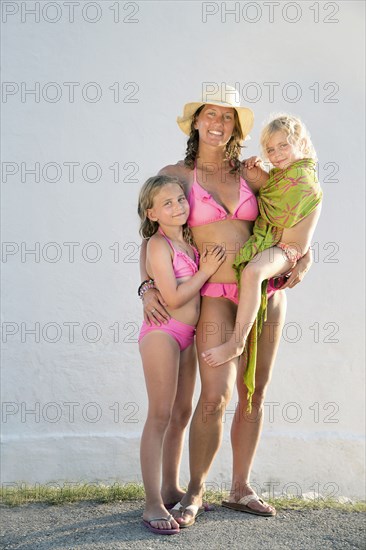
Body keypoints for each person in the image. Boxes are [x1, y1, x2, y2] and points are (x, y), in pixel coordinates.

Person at [139, 86, 314, 524]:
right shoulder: (176, 175)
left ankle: (240, 488)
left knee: (254, 394)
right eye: (210, 115)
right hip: (215, 297)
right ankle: (195, 491)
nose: (218, 124)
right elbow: (150, 235)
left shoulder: (254, 173)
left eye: (227, 117)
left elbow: (292, 211)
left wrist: (304, 256)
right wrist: (146, 286)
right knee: (214, 397)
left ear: (236, 126)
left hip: (266, 293)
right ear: (196, 121)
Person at [202, 115, 323, 412]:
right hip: (276, 246)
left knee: (254, 271)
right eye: (270, 150)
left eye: (284, 146)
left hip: (286, 249)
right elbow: (269, 193)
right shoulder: (283, 178)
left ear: (302, 144)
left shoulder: (304, 180)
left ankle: (237, 341)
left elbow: (291, 218)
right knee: (254, 271)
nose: (277, 154)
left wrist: (306, 255)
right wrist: (255, 171)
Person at [137, 175, 225, 534]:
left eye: (180, 199)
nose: (178, 207)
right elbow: (172, 298)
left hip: (188, 336)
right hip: (163, 333)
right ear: (152, 212)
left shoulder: (188, 242)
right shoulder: (157, 245)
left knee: (182, 413)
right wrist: (205, 271)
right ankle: (152, 502)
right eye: (167, 203)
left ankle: (172, 487)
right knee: (159, 414)